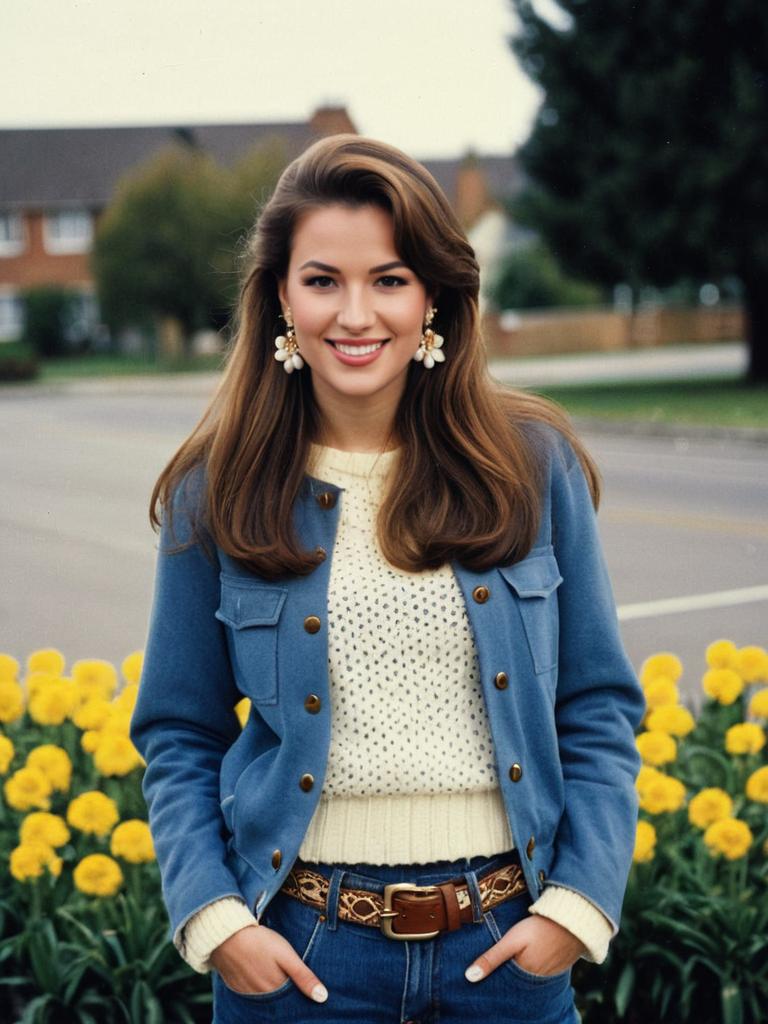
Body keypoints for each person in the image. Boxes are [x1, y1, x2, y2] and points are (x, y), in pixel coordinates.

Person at [130, 133, 645, 1024]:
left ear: (434, 296)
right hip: (299, 959)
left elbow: (597, 706)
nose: (356, 315)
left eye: (391, 279)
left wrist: (575, 909)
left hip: (508, 954)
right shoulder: (214, 489)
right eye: (323, 280)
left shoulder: (532, 464)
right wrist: (217, 922)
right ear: (281, 297)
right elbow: (180, 731)